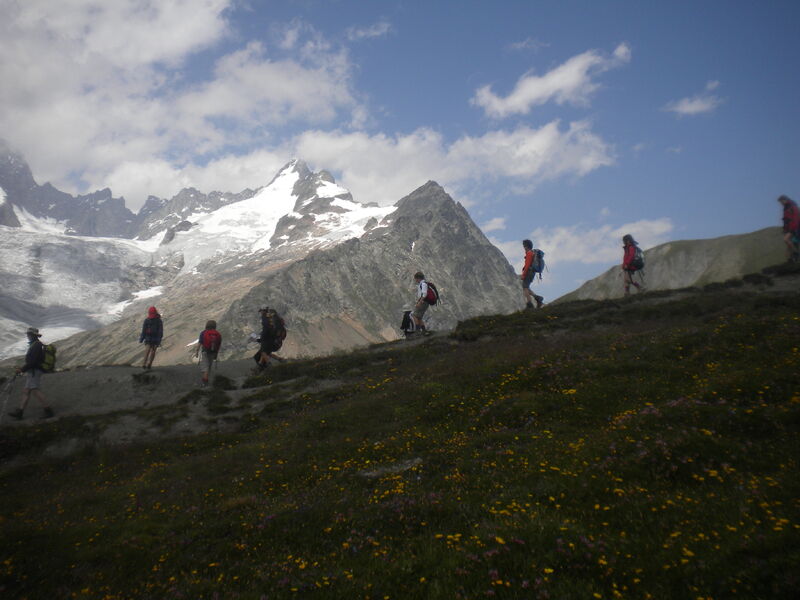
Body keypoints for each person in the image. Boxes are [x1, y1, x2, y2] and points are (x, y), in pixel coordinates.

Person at [7, 327, 54, 420]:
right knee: (26, 391)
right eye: (28, 334)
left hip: (34, 371)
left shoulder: (36, 345)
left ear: (33, 335)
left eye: (29, 334)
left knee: (35, 390)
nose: (28, 336)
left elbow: (32, 362)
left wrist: (22, 370)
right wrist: (23, 369)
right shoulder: (35, 344)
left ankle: (48, 410)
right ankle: (20, 412)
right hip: (33, 371)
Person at [256, 306, 286, 370]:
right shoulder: (278, 322)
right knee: (267, 352)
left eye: (262, 311)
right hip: (277, 342)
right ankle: (279, 359)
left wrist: (259, 338)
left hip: (270, 341)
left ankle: (269, 364)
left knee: (263, 352)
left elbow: (266, 328)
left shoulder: (267, 320)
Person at [195, 320, 222, 387]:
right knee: (209, 366)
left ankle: (205, 383)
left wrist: (197, 351)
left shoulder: (203, 333)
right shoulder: (217, 334)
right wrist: (216, 354)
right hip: (213, 353)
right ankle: (206, 381)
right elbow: (218, 345)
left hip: (205, 352)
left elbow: (200, 343)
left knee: (205, 367)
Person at [521, 239, 544, 309]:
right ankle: (538, 298)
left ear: (526, 246)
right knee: (527, 287)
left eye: (524, 246)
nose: (523, 247)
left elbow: (527, 265)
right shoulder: (532, 253)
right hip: (532, 272)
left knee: (525, 288)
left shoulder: (529, 253)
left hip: (529, 272)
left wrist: (523, 275)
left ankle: (529, 304)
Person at [778, 195, 800, 262]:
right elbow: (786, 219)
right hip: (789, 228)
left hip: (794, 227)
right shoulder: (786, 207)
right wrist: (785, 229)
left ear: (785, 200)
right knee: (793, 242)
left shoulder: (792, 206)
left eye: (781, 202)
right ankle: (793, 258)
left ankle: (796, 253)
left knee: (786, 240)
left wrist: (793, 228)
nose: (781, 203)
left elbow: (796, 217)